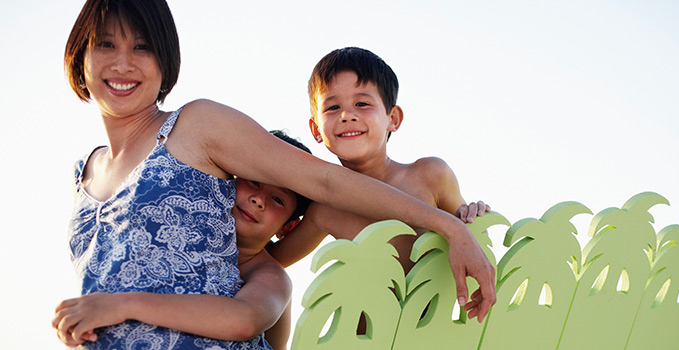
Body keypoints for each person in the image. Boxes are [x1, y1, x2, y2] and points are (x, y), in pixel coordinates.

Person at [56, 1, 495, 349]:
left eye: (143, 47)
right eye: (106, 45)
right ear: (81, 54)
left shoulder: (197, 125)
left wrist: (452, 227)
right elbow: (258, 254)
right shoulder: (84, 174)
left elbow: (321, 184)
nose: (123, 63)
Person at [267, 46, 491, 316]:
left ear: (393, 119)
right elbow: (270, 260)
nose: (346, 115)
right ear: (316, 129)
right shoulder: (324, 209)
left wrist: (473, 217)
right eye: (333, 107)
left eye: (362, 104)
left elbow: (472, 245)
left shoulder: (430, 176)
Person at [53, 131, 308, 350]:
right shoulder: (172, 234)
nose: (258, 199)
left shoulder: (270, 275)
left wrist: (123, 305)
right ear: (231, 176)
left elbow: (246, 320)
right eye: (254, 181)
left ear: (287, 227)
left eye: (278, 200)